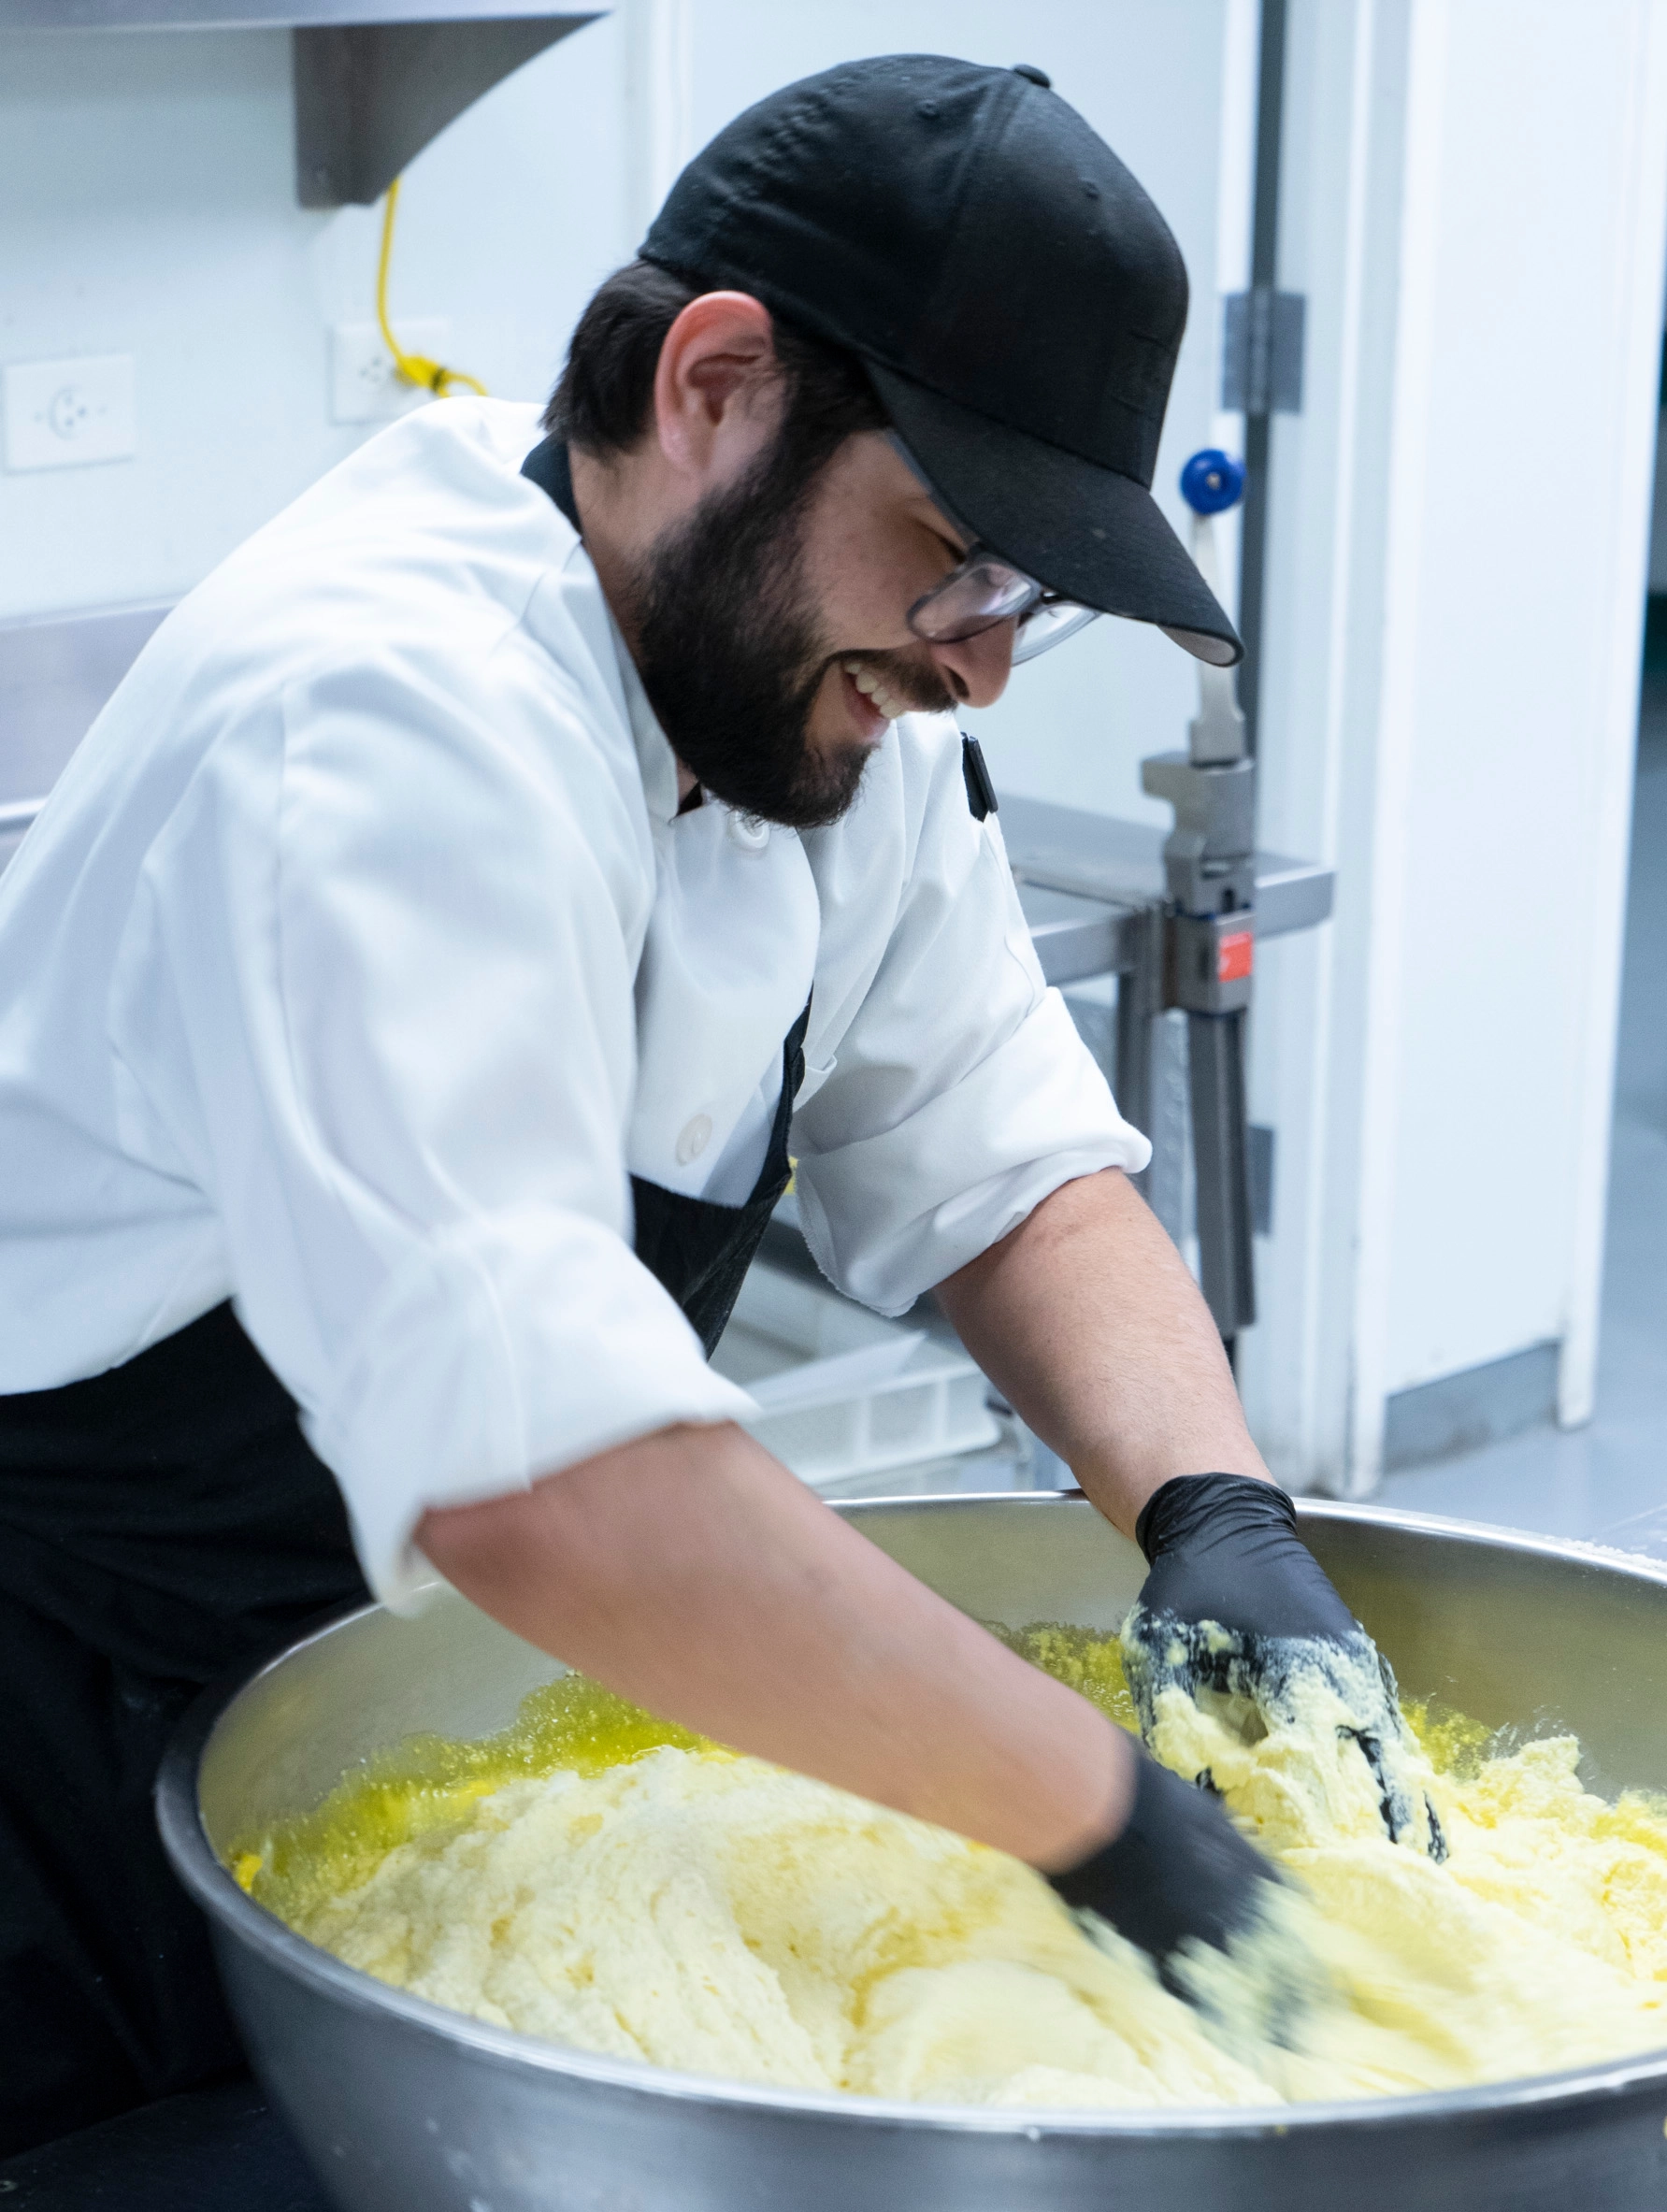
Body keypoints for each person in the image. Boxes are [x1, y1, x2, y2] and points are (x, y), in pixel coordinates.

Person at [0, 54, 1420, 2156]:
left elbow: (1010, 1169)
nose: (979, 666)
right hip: (50, 1756)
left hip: (341, 1673)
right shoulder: (383, 723)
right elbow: (547, 1483)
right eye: (954, 555)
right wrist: (1116, 1828)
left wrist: (1219, 1518)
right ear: (719, 384)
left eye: (1024, 594)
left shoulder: (816, 712)